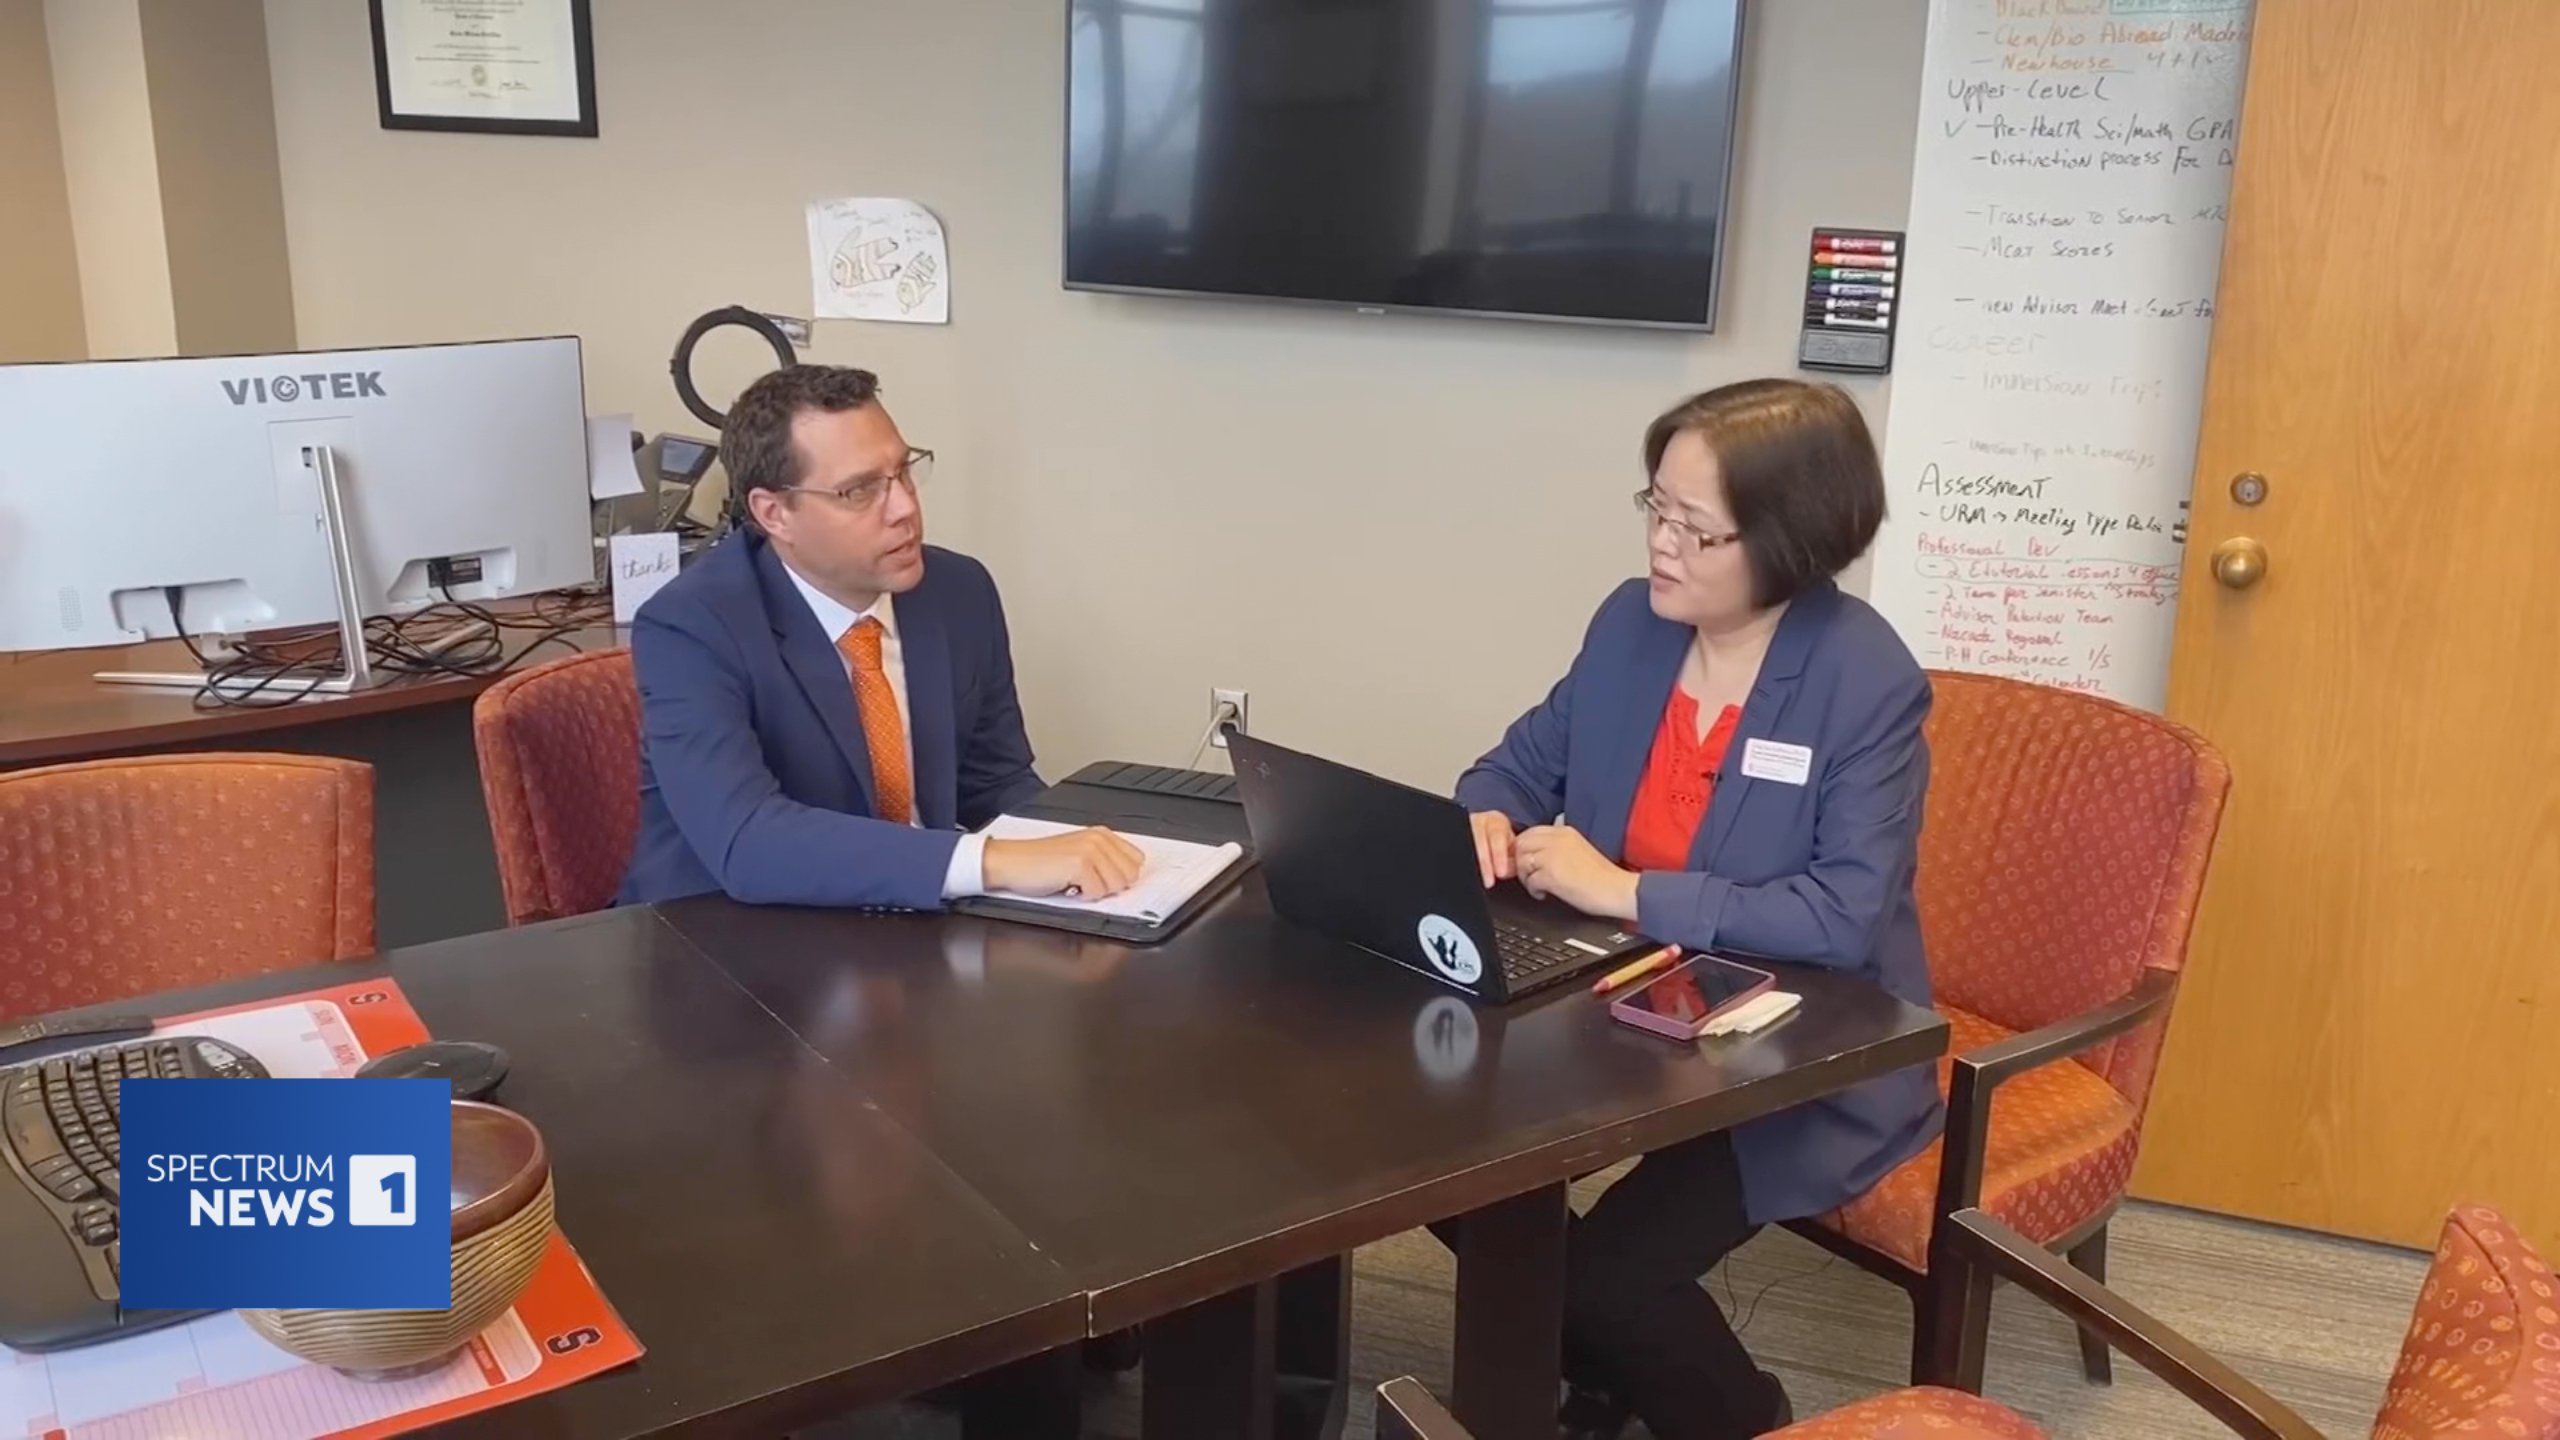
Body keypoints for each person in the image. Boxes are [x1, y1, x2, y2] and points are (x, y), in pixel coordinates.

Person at [1456, 379, 1943, 1440]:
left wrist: (1625, 890)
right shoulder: (1631, 627)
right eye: (1655, 509)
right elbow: (1514, 765)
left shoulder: (1862, 679)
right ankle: (1600, 1374)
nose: (1662, 545)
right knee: (1426, 1172)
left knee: (1603, 1283)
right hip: (1616, 1016)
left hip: (1799, 1048)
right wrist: (1486, 815)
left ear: (1790, 541)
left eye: (1696, 528)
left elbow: (1842, 918)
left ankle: (1744, 1416)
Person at [618, 364, 1143, 910]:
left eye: (904, 472)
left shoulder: (959, 592)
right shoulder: (692, 627)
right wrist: (989, 861)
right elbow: (748, 839)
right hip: (726, 945)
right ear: (774, 513)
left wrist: (1100, 856)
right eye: (860, 490)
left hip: (907, 929)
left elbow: (995, 781)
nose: (906, 509)